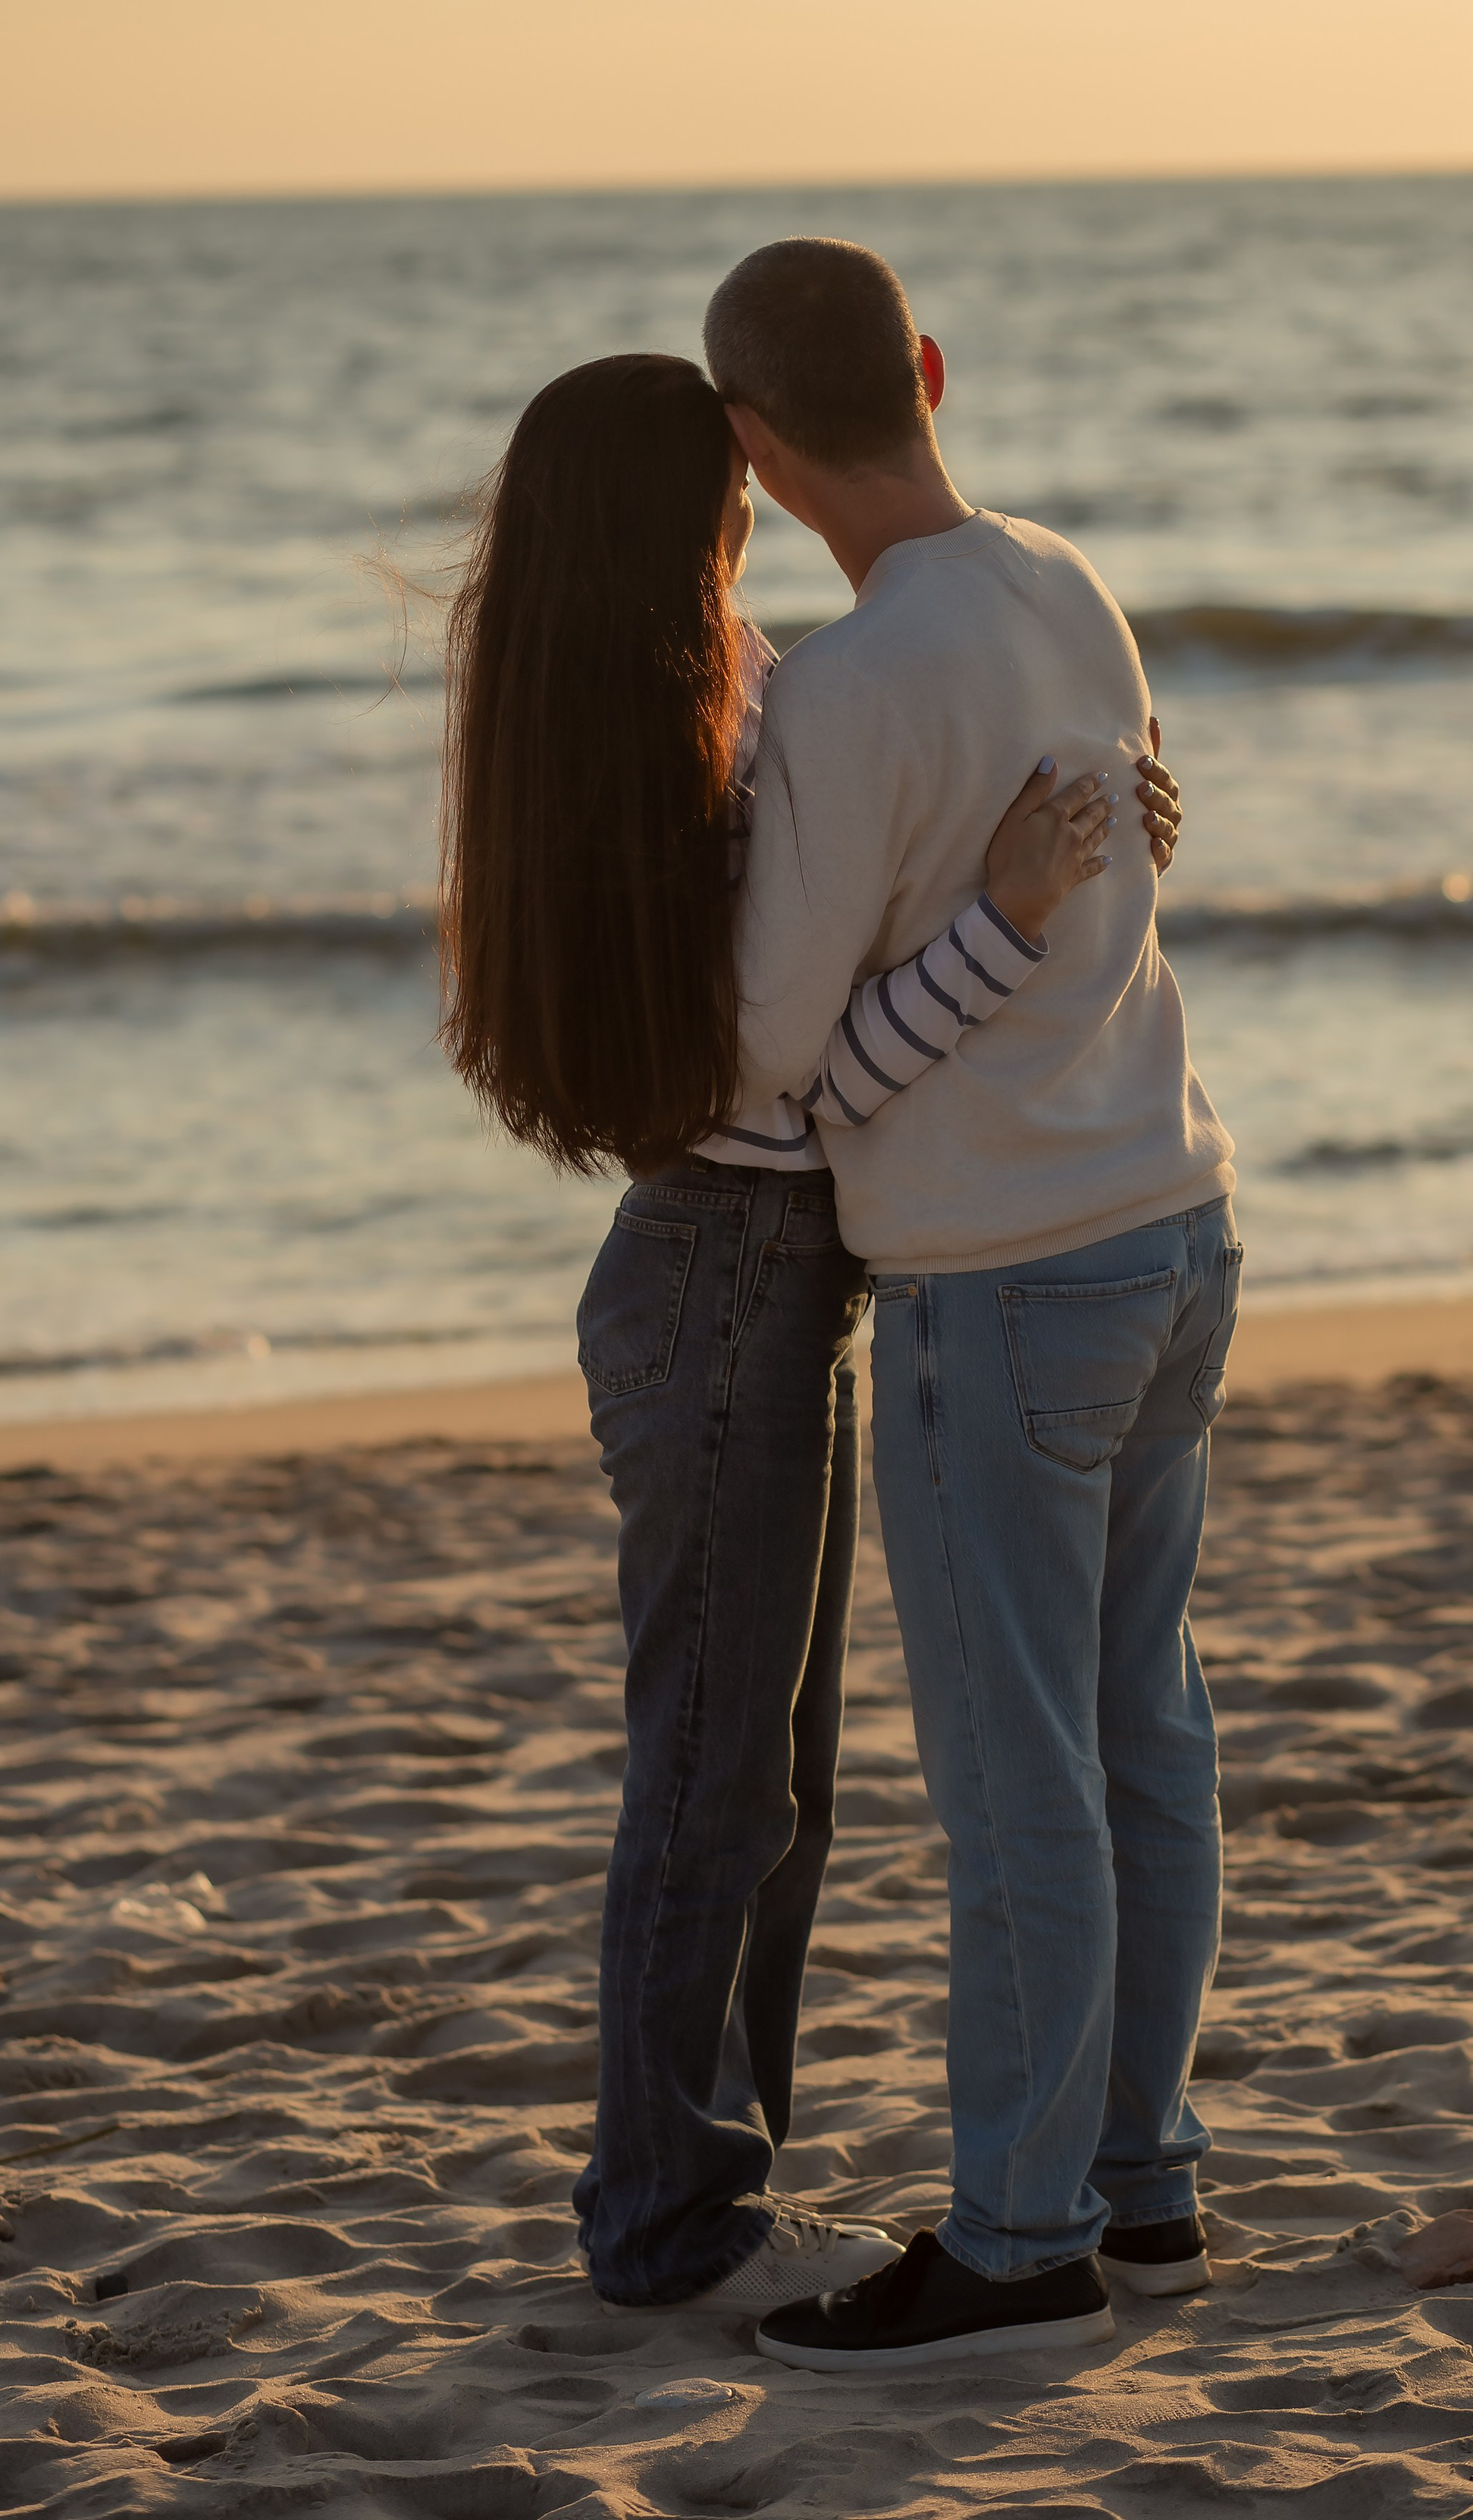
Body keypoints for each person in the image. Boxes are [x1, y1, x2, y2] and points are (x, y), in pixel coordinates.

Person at [437, 352, 1180, 2315]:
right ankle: (664, 2216)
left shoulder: (719, 689)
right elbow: (797, 1068)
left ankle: (710, 2181)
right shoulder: (701, 729)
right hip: (723, 1274)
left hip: (767, 1278)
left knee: (778, 1780)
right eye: (723, 479)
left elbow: (868, 909)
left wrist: (1104, 825)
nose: (754, 497)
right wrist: (1013, 911)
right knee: (717, 1775)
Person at [699, 242, 1240, 2371]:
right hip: (1171, 1216)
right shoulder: (1066, 581)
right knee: (1140, 1735)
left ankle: (1020, 2245)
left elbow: (773, 1064)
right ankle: (1138, 2182)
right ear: (925, 370)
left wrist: (939, 975)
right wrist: (1006, 932)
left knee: (1023, 1786)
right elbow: (1136, 859)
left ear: (755, 450)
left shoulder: (846, 693)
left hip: (1004, 1281)